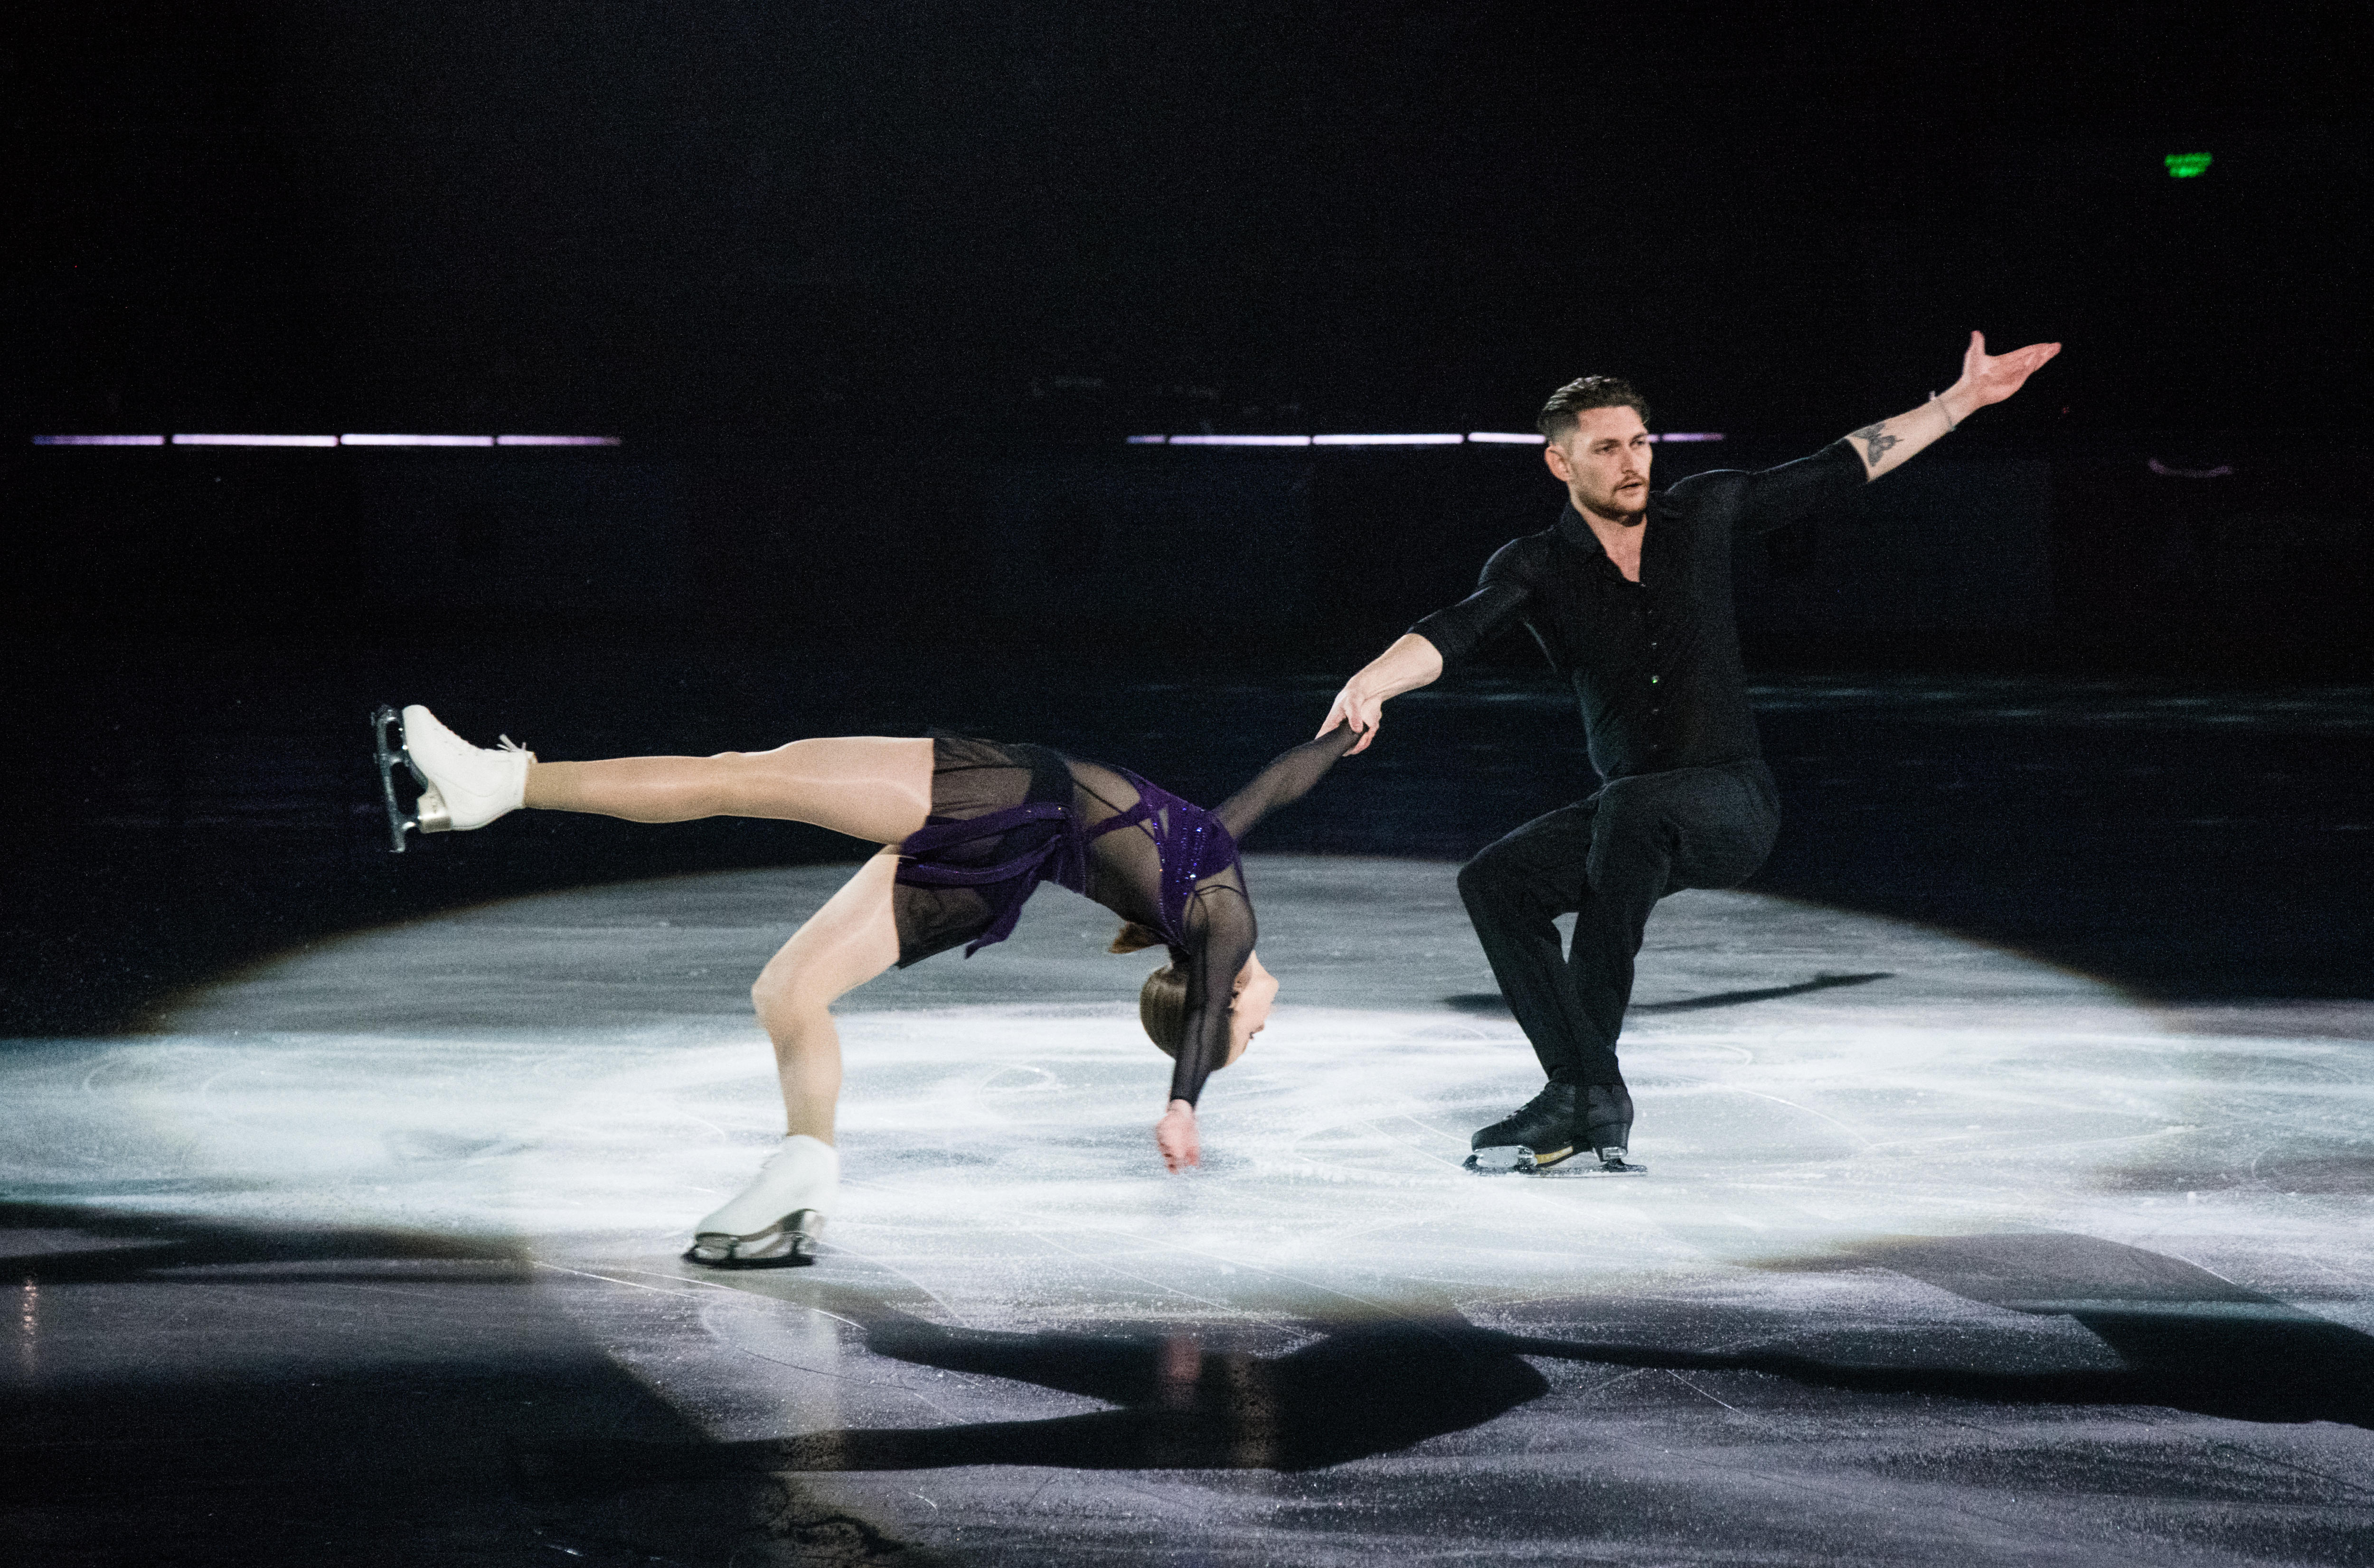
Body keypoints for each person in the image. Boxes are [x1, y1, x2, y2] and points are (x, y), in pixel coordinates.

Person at [1320, 331, 2062, 1174]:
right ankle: (1586, 1093)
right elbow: (1456, 629)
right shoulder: (1535, 566)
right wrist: (1373, 680)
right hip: (1634, 816)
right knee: (1496, 880)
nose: (1633, 461)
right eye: (1608, 448)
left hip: (1733, 805)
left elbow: (1834, 467)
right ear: (1561, 465)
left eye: (1640, 441)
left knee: (1628, 814)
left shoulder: (1703, 511)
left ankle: (1588, 1092)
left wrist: (1960, 400)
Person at [376, 705, 1361, 1264]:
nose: (1261, 1020)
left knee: (744, 775)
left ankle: (503, 784)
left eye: (1246, 1030)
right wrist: (1344, 735)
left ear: (1220, 995)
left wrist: (1185, 1101)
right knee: (789, 989)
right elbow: (1274, 786)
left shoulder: (1223, 925)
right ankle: (805, 1164)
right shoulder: (1205, 893)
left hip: (1004, 796)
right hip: (994, 859)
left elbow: (1251, 840)